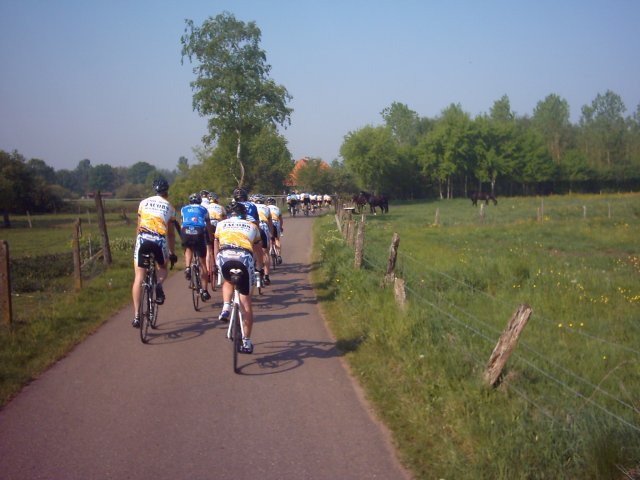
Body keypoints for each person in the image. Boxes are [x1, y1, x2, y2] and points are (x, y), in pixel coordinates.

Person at [214, 200, 261, 354]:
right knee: (246, 302)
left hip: (224, 257)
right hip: (244, 258)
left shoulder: (221, 224)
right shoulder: (253, 226)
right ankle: (246, 342)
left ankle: (226, 306)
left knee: (228, 280)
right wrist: (259, 269)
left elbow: (216, 243)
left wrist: (216, 263)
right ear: (244, 215)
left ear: (228, 214)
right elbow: (259, 250)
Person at [132, 178, 178, 328]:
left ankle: (137, 316)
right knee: (163, 268)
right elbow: (171, 234)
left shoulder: (143, 203)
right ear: (166, 191)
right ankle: (158, 285)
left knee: (139, 276)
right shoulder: (170, 208)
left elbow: (139, 227)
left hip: (143, 239)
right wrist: (171, 253)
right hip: (158, 241)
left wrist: (137, 244)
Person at [180, 193, 213, 301]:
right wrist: (210, 237)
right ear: (199, 201)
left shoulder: (183, 208)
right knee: (202, 262)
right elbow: (208, 225)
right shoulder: (204, 209)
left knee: (188, 248)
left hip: (186, 231)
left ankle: (188, 267)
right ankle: (204, 290)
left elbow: (182, 222)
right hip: (199, 231)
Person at [232, 187, 266, 287]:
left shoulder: (232, 205)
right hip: (251, 226)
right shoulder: (252, 205)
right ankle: (259, 268)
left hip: (235, 228)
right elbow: (257, 221)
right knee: (259, 247)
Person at [204, 191, 227, 284]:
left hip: (207, 227)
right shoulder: (221, 207)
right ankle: (219, 267)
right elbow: (225, 220)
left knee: (208, 251)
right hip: (218, 226)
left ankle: (208, 273)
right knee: (220, 247)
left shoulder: (205, 208)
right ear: (216, 200)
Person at [253, 193, 274, 285]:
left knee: (253, 250)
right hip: (264, 226)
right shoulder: (267, 208)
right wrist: (272, 234)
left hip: (253, 227)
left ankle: (254, 269)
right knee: (265, 252)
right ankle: (266, 276)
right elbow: (270, 222)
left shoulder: (251, 206)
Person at [267, 196, 283, 264]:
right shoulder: (277, 208)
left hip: (268, 223)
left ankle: (270, 250)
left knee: (270, 238)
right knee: (277, 239)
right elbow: (281, 220)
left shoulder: (266, 208)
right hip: (276, 222)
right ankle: (279, 255)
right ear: (274, 203)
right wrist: (281, 227)